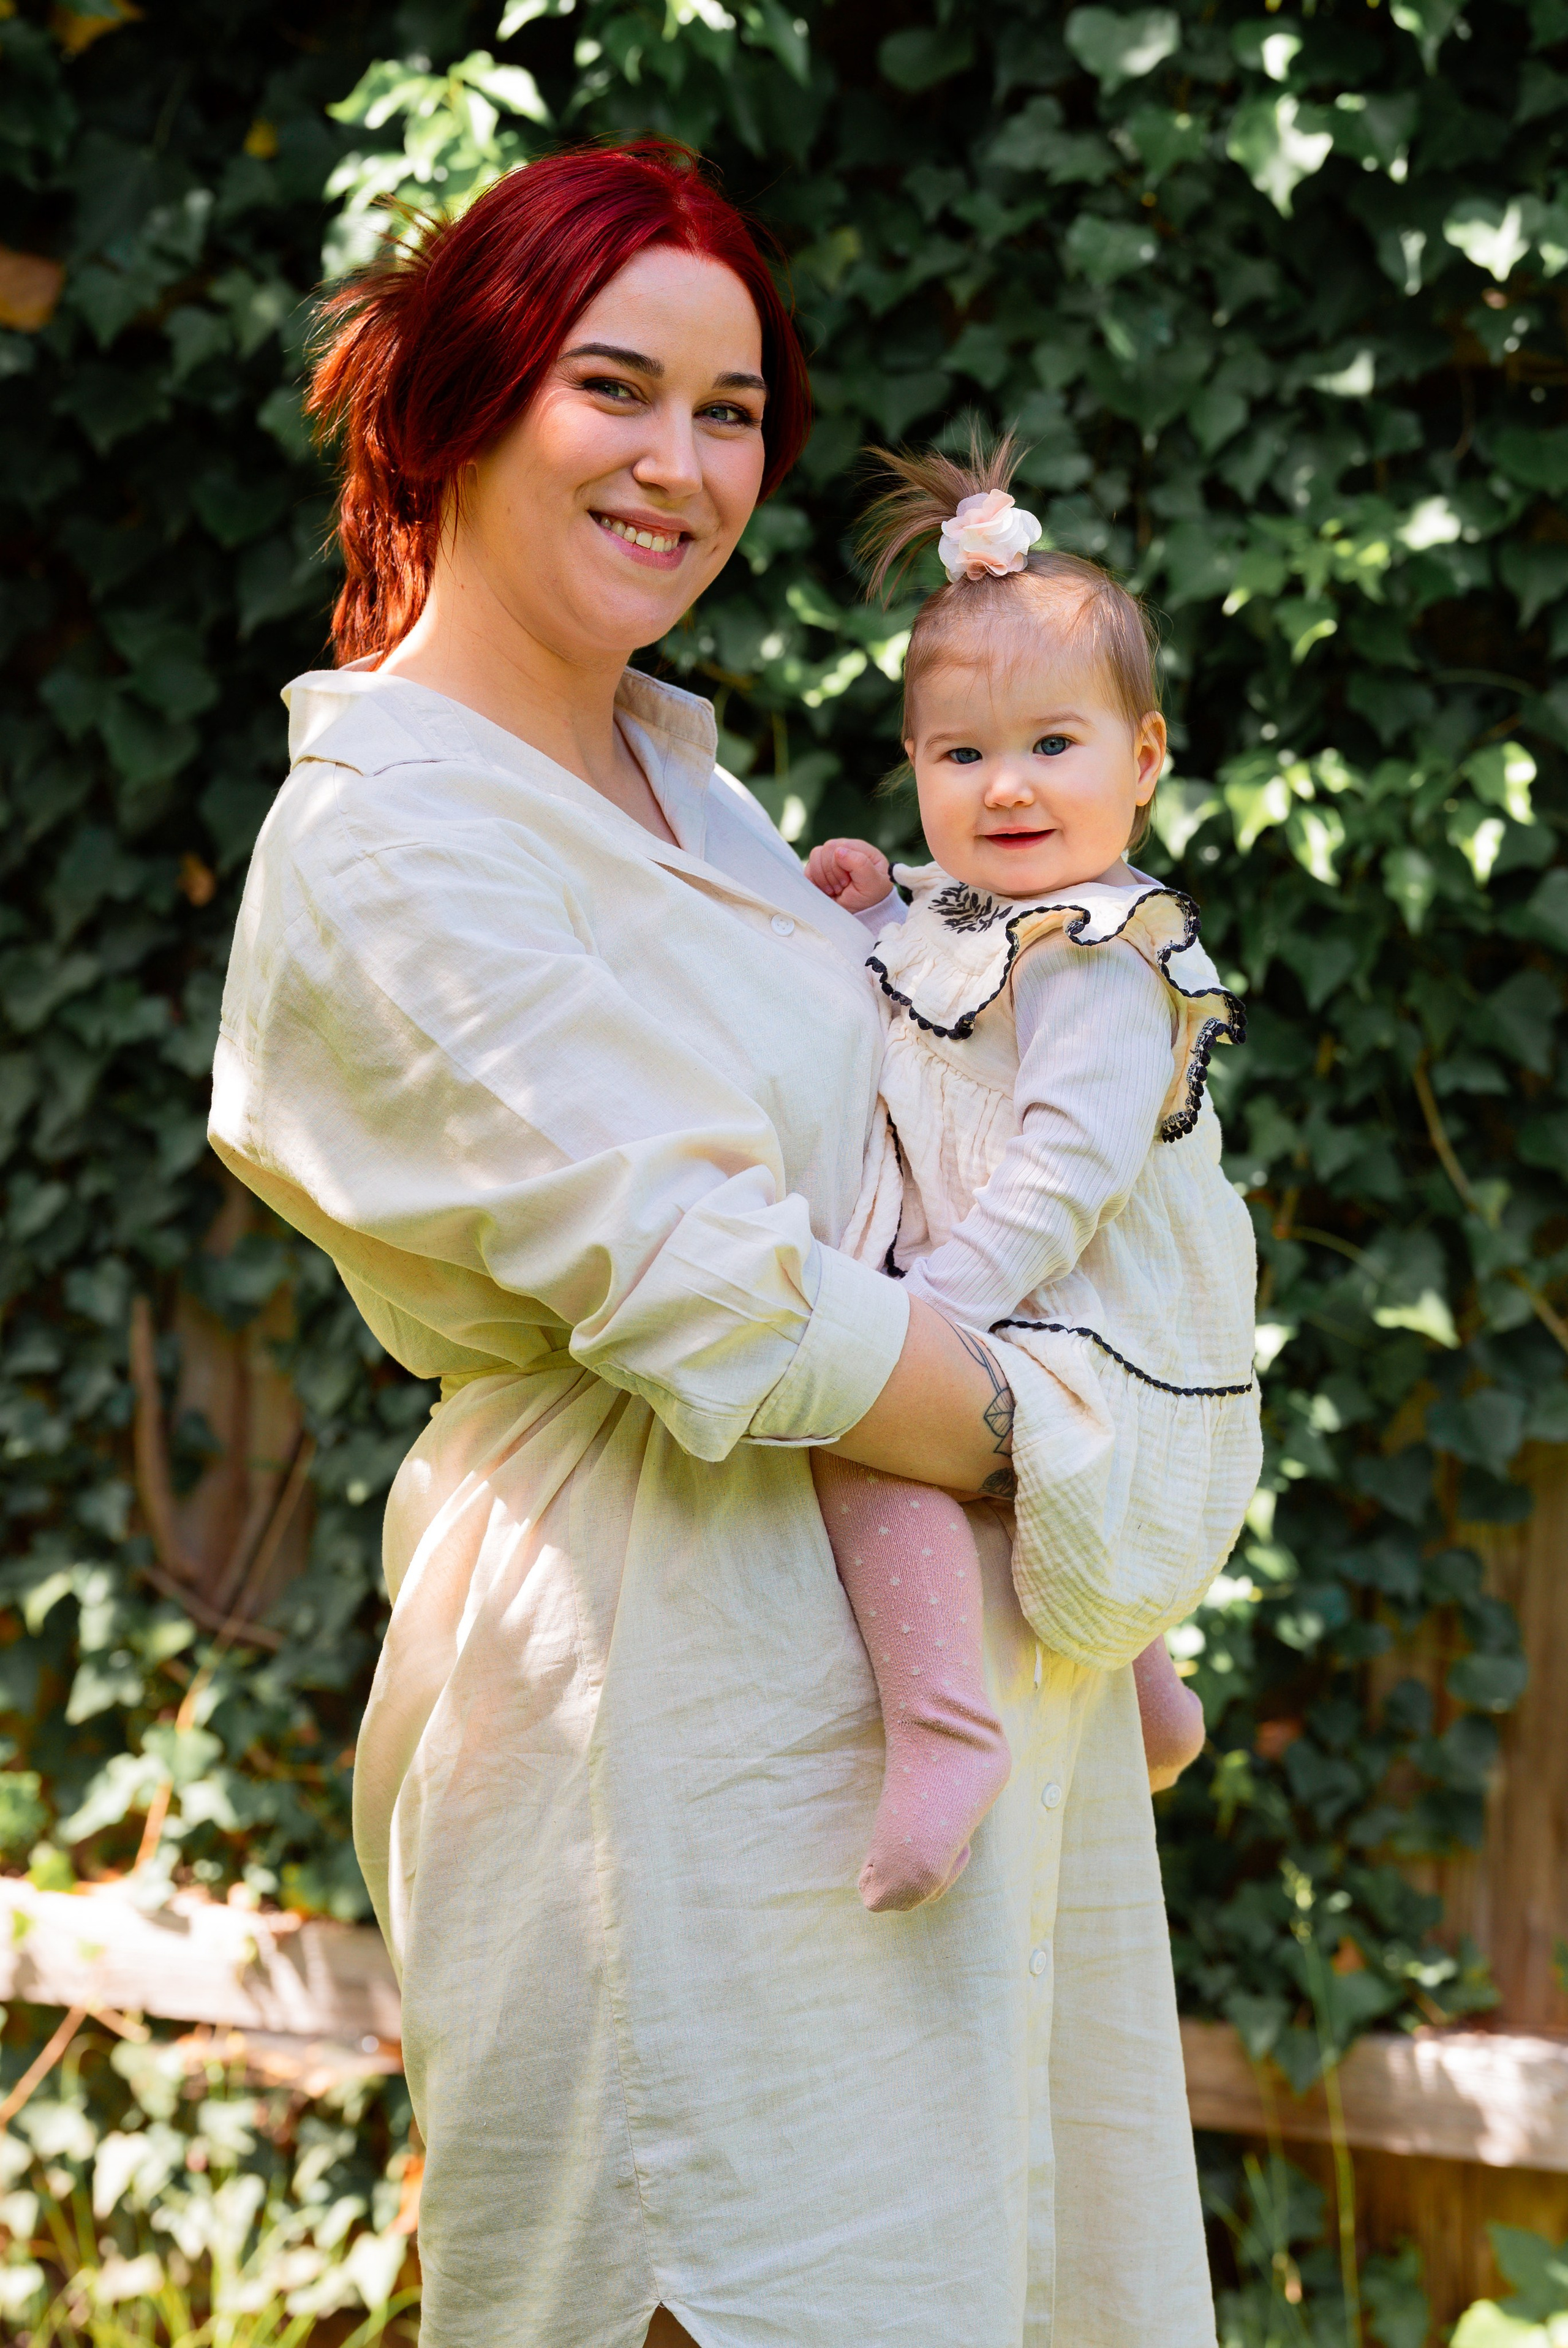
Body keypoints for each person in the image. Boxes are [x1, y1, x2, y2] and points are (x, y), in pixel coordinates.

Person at [210, 140, 1224, 2348]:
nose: (684, 464)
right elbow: (733, 1307)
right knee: (744, 2278)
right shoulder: (399, 837)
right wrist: (1106, 1446)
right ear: (470, 392)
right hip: (671, 1728)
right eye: (616, 386)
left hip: (945, 1723)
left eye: (734, 409)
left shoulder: (696, 780)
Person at [804, 444, 1261, 1914]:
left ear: (1140, 759)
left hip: (1076, 1300)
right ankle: (1150, 1695)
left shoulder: (1098, 960)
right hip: (1040, 1306)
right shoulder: (991, 910)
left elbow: (1067, 1167)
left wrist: (932, 1304)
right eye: (957, 755)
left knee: (860, 1422)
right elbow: (925, 987)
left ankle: (943, 1729)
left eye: (1050, 748)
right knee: (1032, 1484)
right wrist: (873, 904)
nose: (1003, 787)